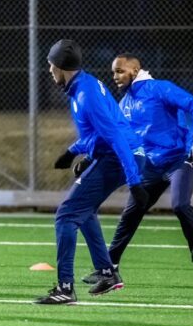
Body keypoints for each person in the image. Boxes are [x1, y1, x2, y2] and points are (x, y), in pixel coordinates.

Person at [82, 53, 193, 290]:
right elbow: (114, 136)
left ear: (134, 71)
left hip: (181, 158)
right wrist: (90, 156)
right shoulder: (124, 104)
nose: (115, 76)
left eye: (120, 71)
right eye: (113, 72)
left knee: (180, 205)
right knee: (132, 210)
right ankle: (110, 266)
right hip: (153, 165)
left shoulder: (159, 88)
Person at [34, 39, 148, 305]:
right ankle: (107, 272)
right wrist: (74, 151)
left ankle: (65, 288)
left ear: (61, 66)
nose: (49, 71)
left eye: (51, 66)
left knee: (66, 214)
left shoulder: (86, 95)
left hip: (121, 158)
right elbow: (97, 134)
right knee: (82, 212)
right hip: (114, 156)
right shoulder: (82, 86)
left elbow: (116, 136)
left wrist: (135, 183)